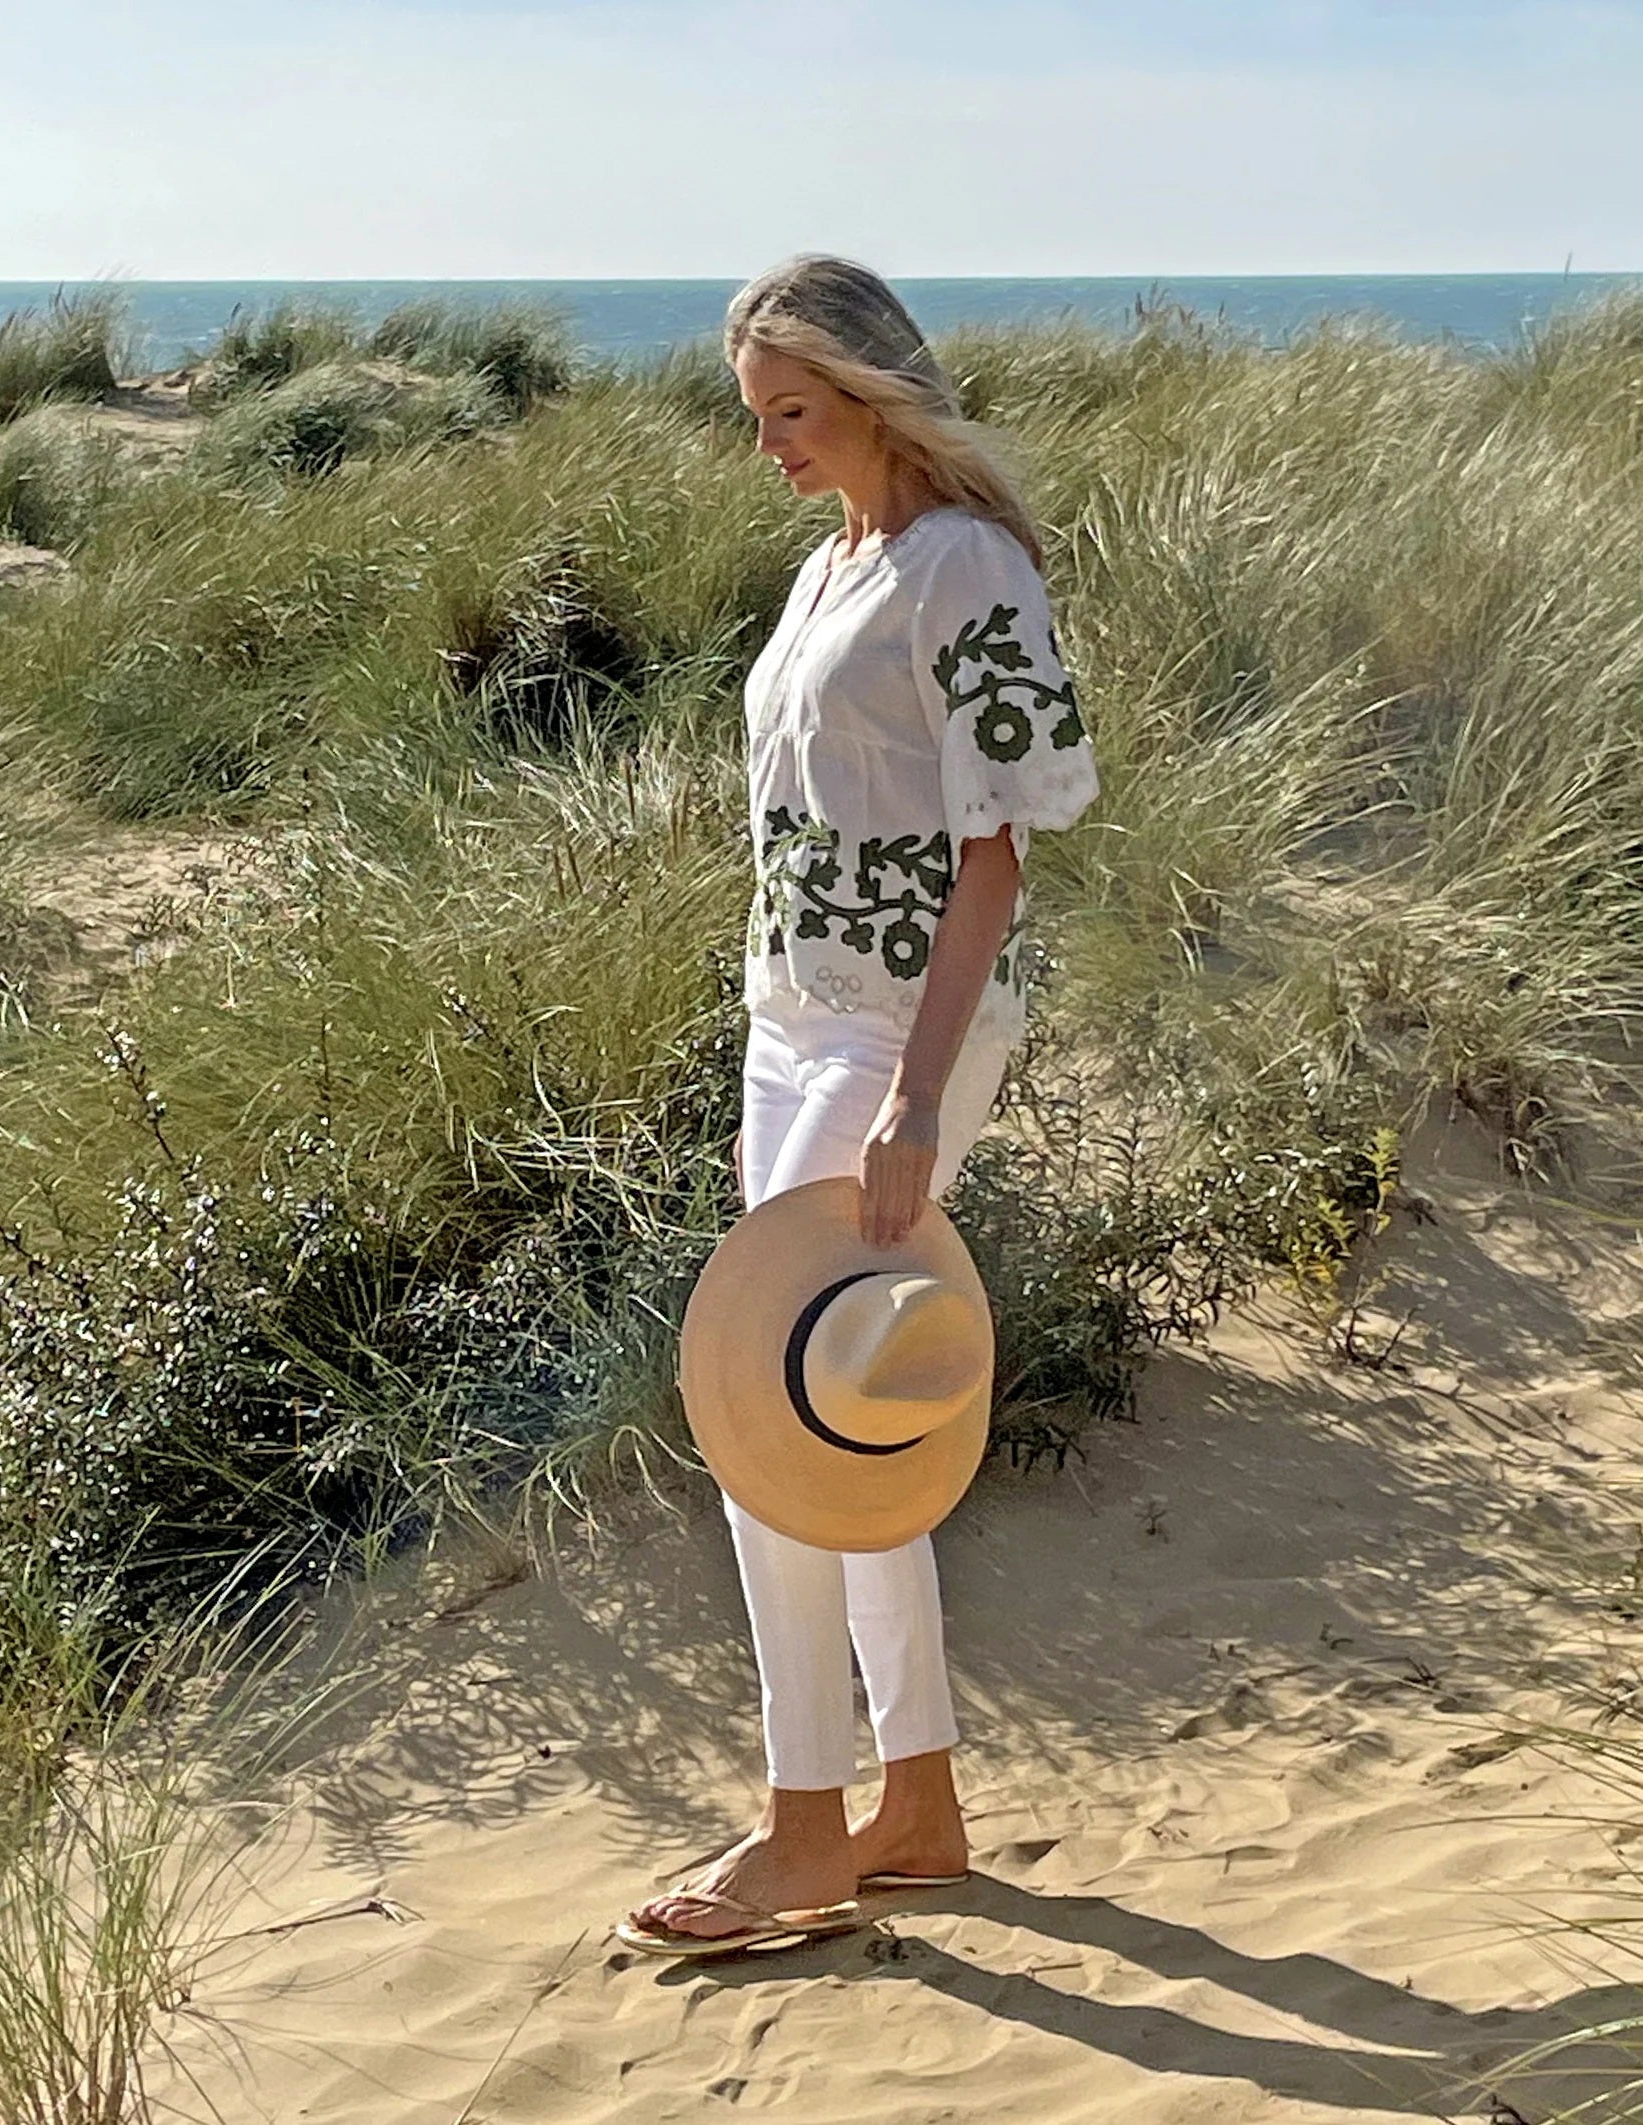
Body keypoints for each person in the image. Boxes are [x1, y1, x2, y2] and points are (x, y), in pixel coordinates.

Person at [624, 255, 1100, 1949]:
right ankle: (919, 1800)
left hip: (898, 1036)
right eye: (756, 419)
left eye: (793, 413)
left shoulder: (964, 567)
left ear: (869, 391)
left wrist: (909, 1102)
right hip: (789, 1022)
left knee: (771, 1417)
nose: (769, 446)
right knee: (840, 1409)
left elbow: (996, 853)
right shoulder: (836, 564)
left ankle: (801, 1821)